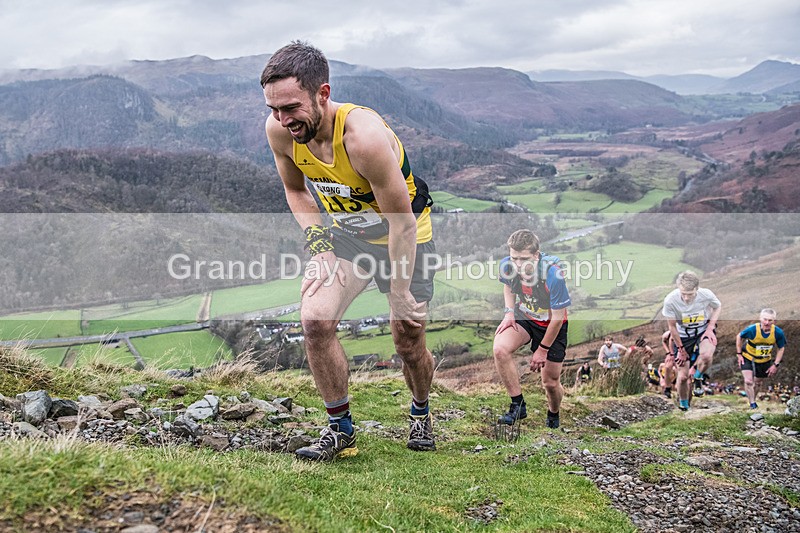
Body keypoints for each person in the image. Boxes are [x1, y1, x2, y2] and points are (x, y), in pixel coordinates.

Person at [261, 41, 436, 461]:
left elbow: (402, 224)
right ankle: (340, 430)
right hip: (350, 237)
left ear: (322, 93)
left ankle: (421, 412)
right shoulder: (280, 132)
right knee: (315, 320)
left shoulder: (363, 138)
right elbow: (295, 189)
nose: (283, 120)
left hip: (407, 236)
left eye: (291, 107)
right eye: (273, 109)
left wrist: (397, 290)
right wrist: (319, 245)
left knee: (407, 341)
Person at [493, 229, 571, 429]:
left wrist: (542, 350)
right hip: (525, 317)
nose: (518, 265)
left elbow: (558, 318)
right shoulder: (507, 265)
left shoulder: (554, 274)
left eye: (524, 259)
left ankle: (553, 414)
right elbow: (508, 286)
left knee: (550, 383)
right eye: (514, 258)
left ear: (536, 255)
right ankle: (517, 406)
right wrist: (509, 312)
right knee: (500, 348)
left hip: (552, 325)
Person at [662, 271, 721, 411]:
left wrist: (710, 328)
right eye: (683, 293)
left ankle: (699, 377)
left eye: (690, 293)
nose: (686, 298)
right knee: (682, 377)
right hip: (683, 336)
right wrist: (680, 350)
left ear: (697, 289)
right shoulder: (670, 300)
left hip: (702, 331)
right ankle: (684, 405)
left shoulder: (706, 294)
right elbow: (672, 327)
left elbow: (717, 306)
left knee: (706, 356)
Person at [736, 308, 787, 409]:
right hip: (748, 356)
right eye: (765, 319)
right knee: (748, 381)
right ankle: (752, 404)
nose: (767, 322)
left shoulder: (778, 333)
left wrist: (775, 364)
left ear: (774, 321)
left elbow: (781, 348)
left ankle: (752, 399)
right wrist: (739, 354)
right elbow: (739, 336)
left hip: (764, 359)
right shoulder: (752, 329)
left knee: (758, 382)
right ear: (760, 319)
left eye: (770, 320)